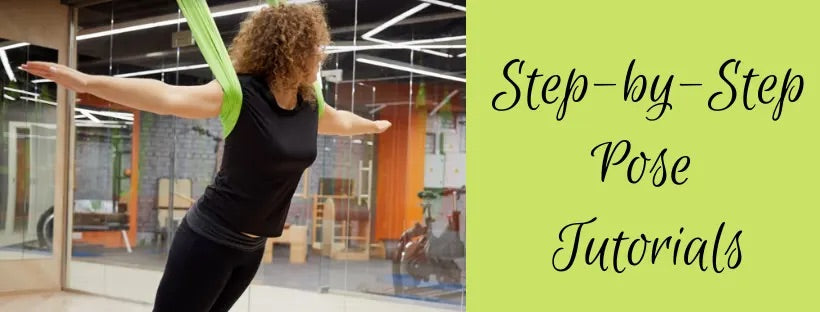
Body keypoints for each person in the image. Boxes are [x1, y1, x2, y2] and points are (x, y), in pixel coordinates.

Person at [22, 3, 390, 312]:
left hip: (251, 248)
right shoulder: (238, 95)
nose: (319, 57)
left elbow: (340, 121)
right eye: (314, 49)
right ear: (290, 50)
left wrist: (373, 127)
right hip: (208, 240)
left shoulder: (310, 104)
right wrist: (87, 83)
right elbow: (165, 96)